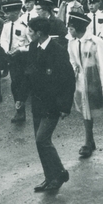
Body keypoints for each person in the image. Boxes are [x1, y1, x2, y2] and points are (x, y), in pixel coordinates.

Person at [24, 17, 75, 192]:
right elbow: (28, 74)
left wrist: (65, 107)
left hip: (52, 104)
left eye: (30, 31)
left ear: (39, 33)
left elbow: (69, 80)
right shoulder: (32, 47)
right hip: (37, 104)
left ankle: (60, 173)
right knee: (40, 143)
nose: (27, 34)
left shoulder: (58, 51)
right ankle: (49, 177)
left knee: (42, 140)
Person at [67, 12, 103, 158]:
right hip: (80, 79)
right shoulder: (72, 42)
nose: (69, 31)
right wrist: (74, 69)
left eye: (71, 28)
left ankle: (88, 141)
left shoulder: (95, 42)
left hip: (94, 79)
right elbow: (72, 59)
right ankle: (89, 140)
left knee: (90, 109)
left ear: (79, 28)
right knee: (84, 109)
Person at [0, 1, 30, 122]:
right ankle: (19, 111)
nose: (6, 15)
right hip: (12, 58)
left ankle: (20, 110)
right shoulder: (7, 25)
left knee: (22, 84)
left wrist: (20, 49)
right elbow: (4, 39)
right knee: (15, 85)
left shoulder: (25, 26)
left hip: (23, 58)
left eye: (8, 12)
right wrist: (7, 50)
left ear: (17, 12)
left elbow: (31, 44)